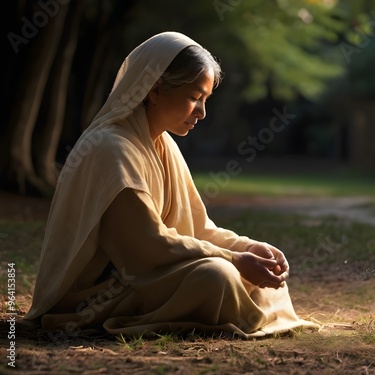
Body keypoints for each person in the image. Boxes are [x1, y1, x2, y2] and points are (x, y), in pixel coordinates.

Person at [24, 31, 319, 338]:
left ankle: (236, 301)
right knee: (217, 278)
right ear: (156, 90)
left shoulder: (162, 142)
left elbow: (197, 229)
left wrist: (248, 249)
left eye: (205, 100)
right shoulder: (110, 149)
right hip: (106, 292)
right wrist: (235, 260)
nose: (201, 112)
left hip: (154, 274)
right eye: (194, 97)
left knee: (253, 277)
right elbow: (148, 247)